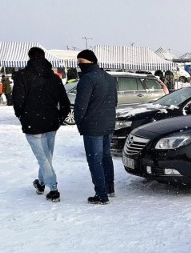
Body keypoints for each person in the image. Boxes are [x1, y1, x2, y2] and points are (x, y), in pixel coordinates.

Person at [11, 47, 71, 202]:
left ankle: (53, 188)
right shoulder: (54, 78)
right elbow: (65, 103)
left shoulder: (22, 76)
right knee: (46, 156)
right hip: (51, 121)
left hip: (33, 123)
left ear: (30, 57)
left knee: (43, 157)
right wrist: (59, 118)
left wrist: (22, 116)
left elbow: (17, 101)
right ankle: (41, 183)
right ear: (44, 57)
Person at [74, 49, 118, 205]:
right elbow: (115, 102)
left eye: (81, 62)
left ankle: (101, 194)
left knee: (95, 160)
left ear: (89, 61)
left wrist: (79, 121)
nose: (79, 65)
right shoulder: (109, 78)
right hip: (108, 124)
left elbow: (80, 106)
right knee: (106, 157)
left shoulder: (87, 79)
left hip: (93, 126)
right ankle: (109, 187)